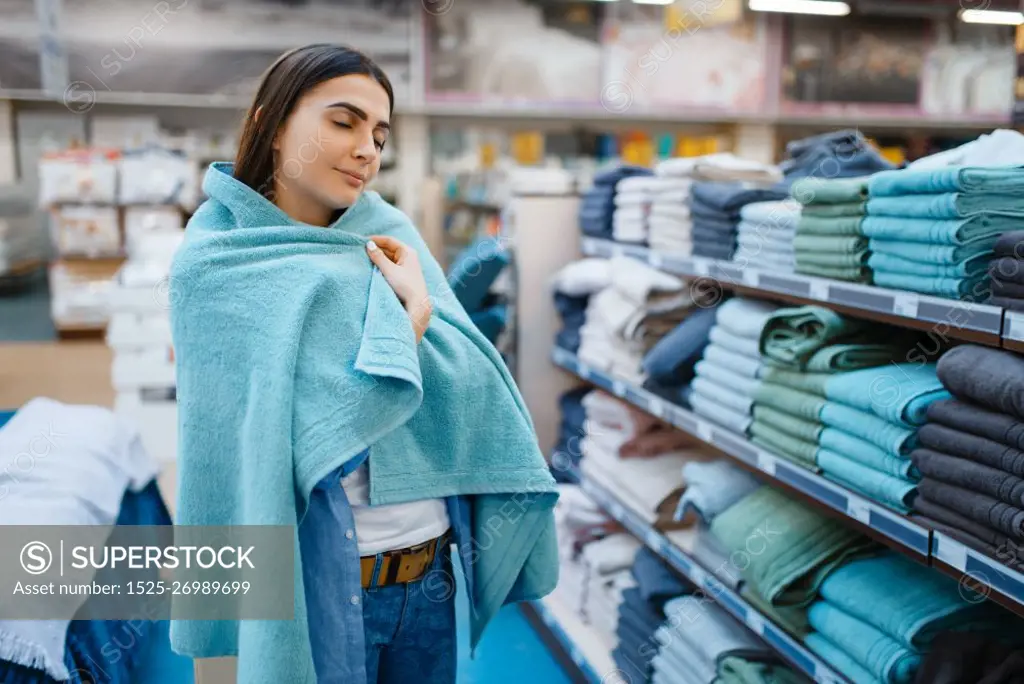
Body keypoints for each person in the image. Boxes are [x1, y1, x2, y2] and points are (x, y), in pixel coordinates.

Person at [182, 44, 461, 683]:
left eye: (380, 134)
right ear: (271, 126)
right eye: (344, 122)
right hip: (325, 584)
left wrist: (422, 326)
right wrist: (410, 326)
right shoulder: (218, 266)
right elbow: (278, 445)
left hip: (430, 575)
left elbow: (470, 379)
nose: (368, 149)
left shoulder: (393, 235)